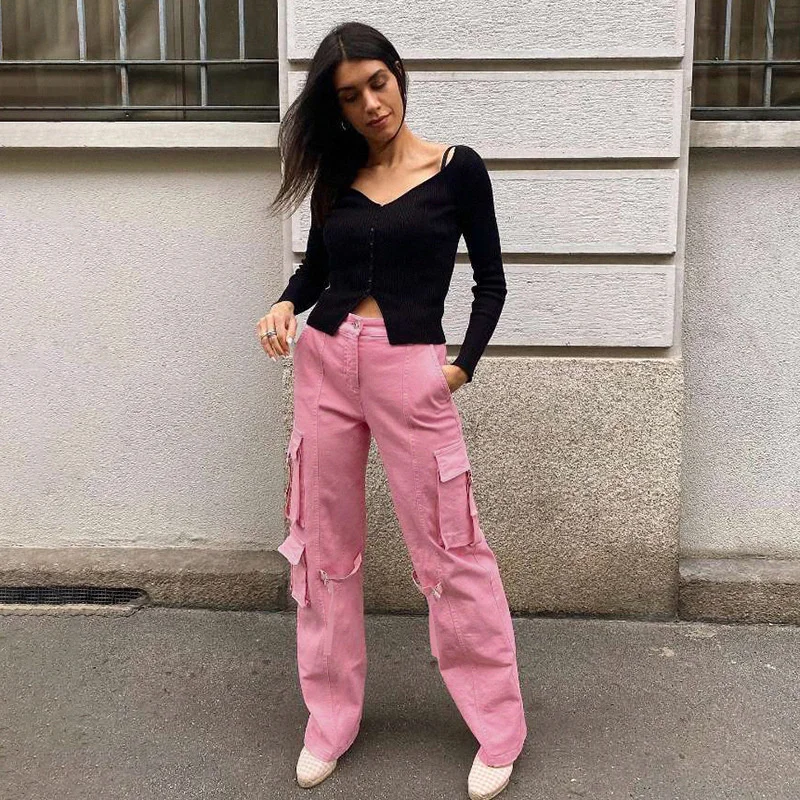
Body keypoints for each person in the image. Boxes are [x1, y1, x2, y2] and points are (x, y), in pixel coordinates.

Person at [256, 20, 526, 800]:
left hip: (412, 371)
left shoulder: (456, 169)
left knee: (450, 546)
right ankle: (329, 719)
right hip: (325, 364)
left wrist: (460, 368)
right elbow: (316, 270)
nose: (371, 104)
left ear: (398, 76)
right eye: (350, 96)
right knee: (324, 547)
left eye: (378, 83)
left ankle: (499, 728)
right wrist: (284, 303)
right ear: (337, 108)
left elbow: (492, 282)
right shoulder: (338, 177)